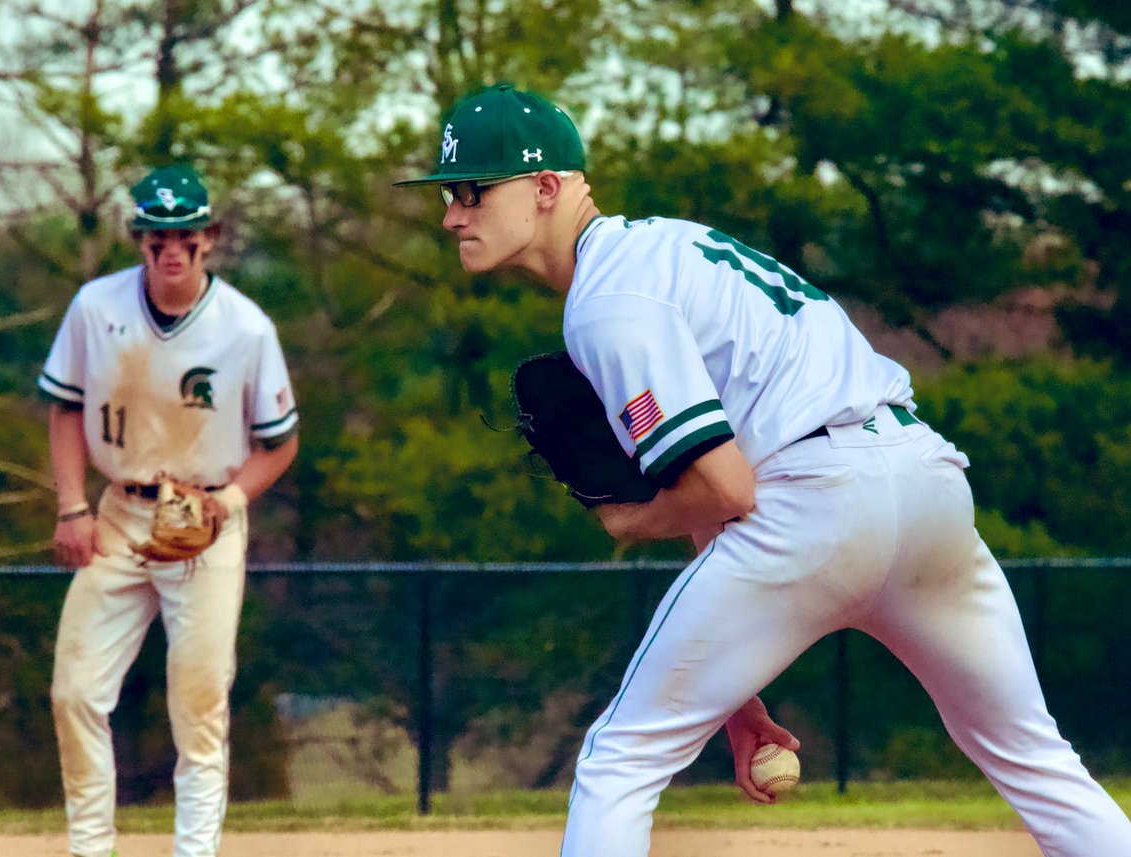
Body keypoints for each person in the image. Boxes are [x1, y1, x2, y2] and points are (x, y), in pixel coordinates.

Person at [395, 84, 1131, 856]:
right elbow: (723, 500)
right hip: (926, 485)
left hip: (816, 505)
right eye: (450, 194)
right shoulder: (667, 247)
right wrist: (736, 701)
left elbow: (728, 489)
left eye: (472, 190)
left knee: (620, 757)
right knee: (1039, 761)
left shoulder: (607, 304)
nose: (452, 214)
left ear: (545, 188)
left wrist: (633, 520)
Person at [37, 164, 299, 857]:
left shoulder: (245, 328)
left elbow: (280, 442)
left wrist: (230, 501)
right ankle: (91, 846)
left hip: (204, 517)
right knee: (75, 690)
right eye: (158, 234)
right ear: (138, 238)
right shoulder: (97, 307)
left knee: (199, 705)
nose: (171, 247)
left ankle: (194, 851)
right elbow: (64, 406)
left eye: (185, 233)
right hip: (122, 510)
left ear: (209, 237)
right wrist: (71, 506)